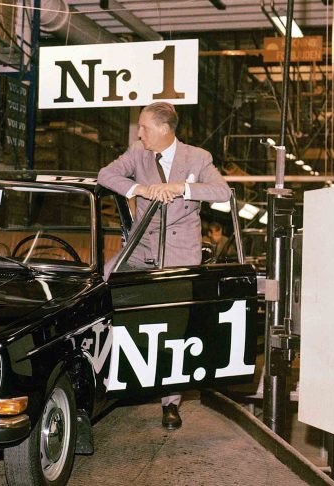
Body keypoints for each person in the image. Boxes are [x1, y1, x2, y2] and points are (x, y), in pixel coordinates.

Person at [97, 102, 231, 431]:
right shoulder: (138, 153)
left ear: (163, 128)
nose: (139, 133)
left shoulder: (197, 157)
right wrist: (139, 189)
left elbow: (222, 192)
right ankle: (105, 371)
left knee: (173, 326)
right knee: (103, 284)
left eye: (144, 127)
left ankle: (170, 403)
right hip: (141, 245)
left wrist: (181, 188)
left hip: (179, 251)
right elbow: (105, 175)